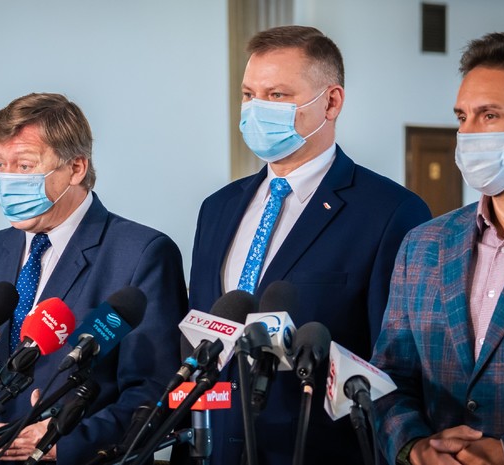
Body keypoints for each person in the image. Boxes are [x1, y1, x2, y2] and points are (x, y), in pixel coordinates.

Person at [184, 26, 431, 465]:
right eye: (248, 94)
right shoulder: (217, 208)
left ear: (331, 102)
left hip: (319, 450)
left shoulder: (391, 212)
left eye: (276, 95)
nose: (256, 109)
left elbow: (393, 367)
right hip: (216, 449)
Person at [0, 92, 187, 464]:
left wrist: (66, 441)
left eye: (24, 165)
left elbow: (154, 389)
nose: (7, 179)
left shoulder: (141, 254)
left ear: (76, 168)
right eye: (0, 163)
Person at [371, 32, 504, 465]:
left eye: (489, 115)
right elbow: (389, 376)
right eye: (463, 116)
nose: (468, 133)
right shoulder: (423, 245)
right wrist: (414, 447)